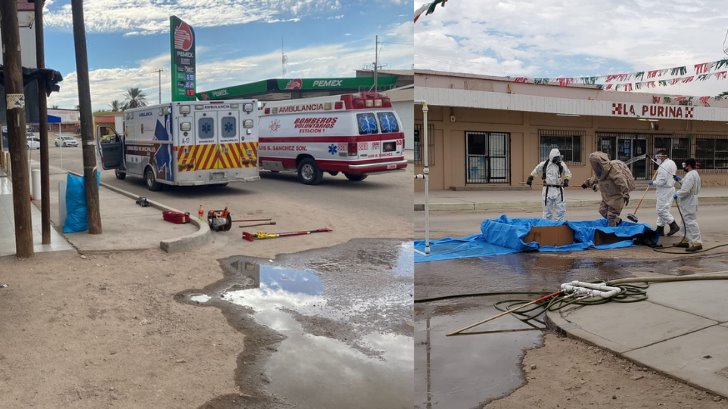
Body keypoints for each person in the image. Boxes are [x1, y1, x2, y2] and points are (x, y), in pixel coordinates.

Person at [581, 151, 635, 226]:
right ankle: (617, 221)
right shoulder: (600, 172)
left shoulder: (613, 170)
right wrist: (586, 183)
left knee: (611, 216)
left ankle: (612, 234)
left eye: (597, 163)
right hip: (607, 197)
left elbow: (622, 181)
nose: (596, 166)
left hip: (616, 197)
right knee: (602, 211)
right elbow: (594, 179)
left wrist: (626, 194)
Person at [526, 148, 572, 221]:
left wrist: (566, 180)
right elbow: (536, 170)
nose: (557, 159)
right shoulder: (544, 164)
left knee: (560, 211)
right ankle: (547, 227)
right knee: (547, 212)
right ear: (551, 157)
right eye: (556, 158)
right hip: (548, 190)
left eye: (558, 157)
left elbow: (568, 173)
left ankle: (559, 227)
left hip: (559, 190)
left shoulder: (561, 164)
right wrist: (530, 178)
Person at [647, 150, 680, 236]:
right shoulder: (671, 163)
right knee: (664, 209)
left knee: (661, 210)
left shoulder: (664, 165)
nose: (657, 158)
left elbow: (662, 181)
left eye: (658, 157)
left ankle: (673, 225)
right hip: (670, 189)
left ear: (663, 156)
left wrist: (653, 182)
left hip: (664, 190)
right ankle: (660, 229)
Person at [673, 159, 702, 252]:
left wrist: (677, 194)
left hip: (689, 201)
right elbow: (687, 184)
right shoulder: (693, 174)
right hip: (688, 201)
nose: (684, 167)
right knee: (684, 222)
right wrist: (680, 180)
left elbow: (685, 190)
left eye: (685, 165)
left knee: (690, 222)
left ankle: (697, 243)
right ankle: (684, 240)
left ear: (688, 165)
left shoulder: (690, 175)